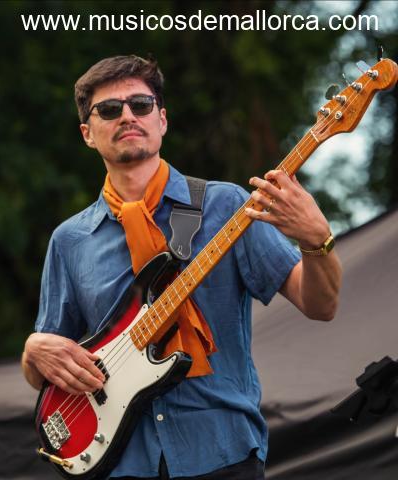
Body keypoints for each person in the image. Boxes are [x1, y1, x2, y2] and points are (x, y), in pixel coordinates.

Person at [21, 55, 342, 480]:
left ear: (162, 120)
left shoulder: (227, 206)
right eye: (110, 110)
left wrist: (317, 242)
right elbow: (47, 370)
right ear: (87, 134)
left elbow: (320, 305)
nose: (128, 116)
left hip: (221, 453)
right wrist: (32, 352)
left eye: (141, 104)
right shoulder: (70, 241)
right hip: (120, 464)